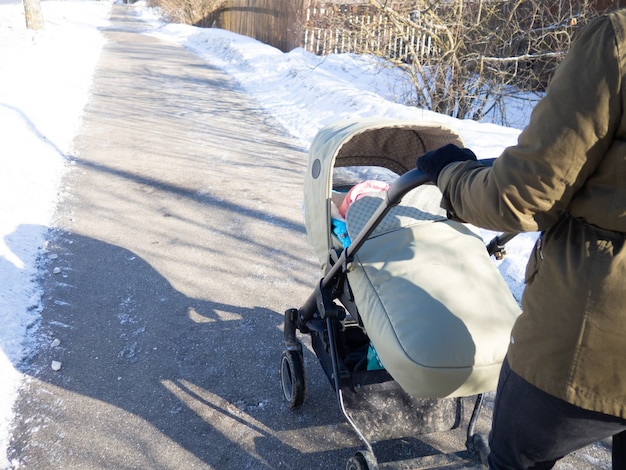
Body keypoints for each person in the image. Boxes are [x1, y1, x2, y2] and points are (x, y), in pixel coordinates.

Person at [415, 9, 626, 469]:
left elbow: (519, 197)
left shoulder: (616, 40)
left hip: (589, 339)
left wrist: (450, 173)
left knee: (517, 459)